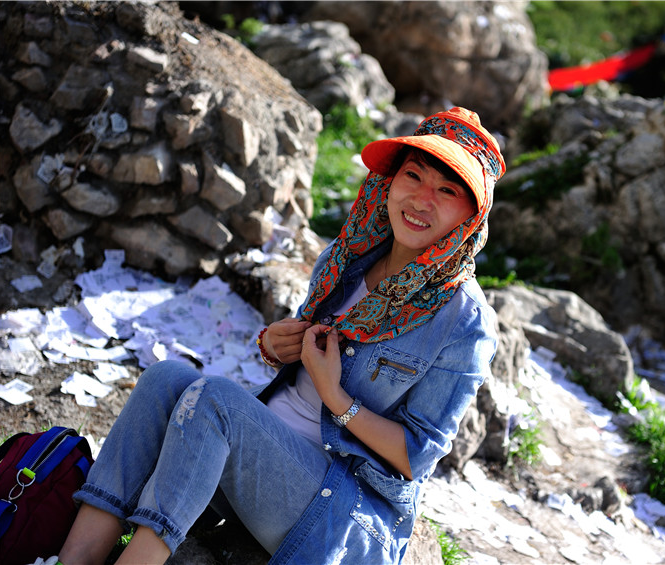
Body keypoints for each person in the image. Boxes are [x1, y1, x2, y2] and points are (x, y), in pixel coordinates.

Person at [49, 106, 506, 565]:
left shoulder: (464, 323)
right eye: (413, 175)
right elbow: (300, 357)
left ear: (472, 215)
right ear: (390, 179)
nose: (422, 200)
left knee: (215, 401)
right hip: (261, 462)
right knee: (164, 379)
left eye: (447, 190)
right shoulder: (349, 257)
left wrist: (336, 397)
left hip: (335, 510)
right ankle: (72, 560)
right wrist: (274, 346)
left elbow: (417, 456)